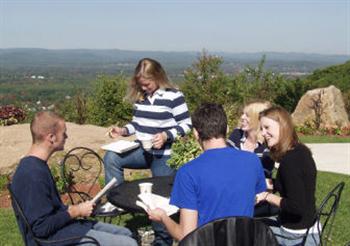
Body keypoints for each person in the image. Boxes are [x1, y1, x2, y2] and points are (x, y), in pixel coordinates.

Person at [11, 111, 137, 246]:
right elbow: (41, 228)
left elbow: (50, 210)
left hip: (64, 228)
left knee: (127, 234)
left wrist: (78, 208)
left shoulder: (36, 165)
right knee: (128, 243)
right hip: (53, 239)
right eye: (63, 132)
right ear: (51, 137)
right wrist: (76, 211)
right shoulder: (32, 175)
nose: (66, 136)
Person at [103, 58, 192, 245]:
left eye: (147, 84)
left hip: (165, 154)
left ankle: (163, 239)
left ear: (158, 77)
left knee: (159, 199)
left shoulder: (174, 96)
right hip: (142, 150)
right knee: (112, 157)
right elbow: (137, 124)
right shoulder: (141, 97)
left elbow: (187, 125)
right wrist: (123, 131)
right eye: (141, 85)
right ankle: (117, 201)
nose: (144, 88)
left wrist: (166, 136)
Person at [147, 103, 267, 241]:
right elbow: (251, 198)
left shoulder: (188, 172)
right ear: (226, 129)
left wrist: (163, 217)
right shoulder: (252, 161)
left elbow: (186, 235)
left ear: (196, 133)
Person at [256, 106, 319, 246]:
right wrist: (265, 183)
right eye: (261, 128)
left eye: (267, 127)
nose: (263, 133)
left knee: (249, 229)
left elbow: (296, 207)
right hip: (309, 227)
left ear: (283, 126)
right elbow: (288, 184)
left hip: (296, 236)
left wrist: (266, 196)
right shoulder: (299, 150)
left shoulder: (290, 162)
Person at [227, 101, 277, 217]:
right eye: (243, 114)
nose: (242, 117)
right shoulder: (236, 135)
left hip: (257, 201)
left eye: (247, 115)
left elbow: (262, 178)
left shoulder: (267, 145)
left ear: (257, 119)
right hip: (232, 195)